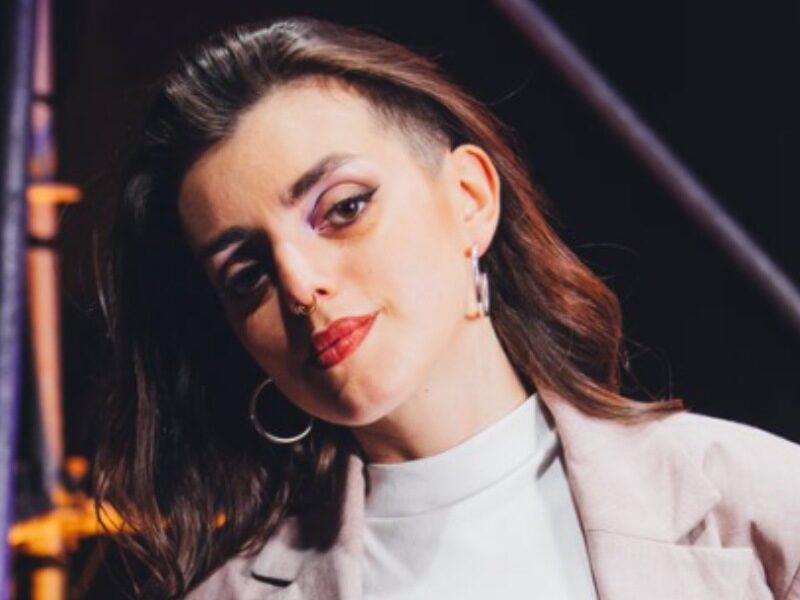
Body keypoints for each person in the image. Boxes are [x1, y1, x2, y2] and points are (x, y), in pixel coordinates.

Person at [92, 15, 800, 600]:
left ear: (469, 198)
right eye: (247, 274)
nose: (300, 285)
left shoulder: (759, 503)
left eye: (343, 209)